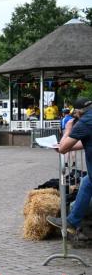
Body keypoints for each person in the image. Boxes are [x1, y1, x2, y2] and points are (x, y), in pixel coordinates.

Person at [47, 98, 92, 233]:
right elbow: (86, 141)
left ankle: (72, 221)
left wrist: (67, 129)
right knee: (86, 181)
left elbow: (63, 148)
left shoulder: (84, 122)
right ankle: (72, 221)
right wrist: (69, 147)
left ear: (78, 113)